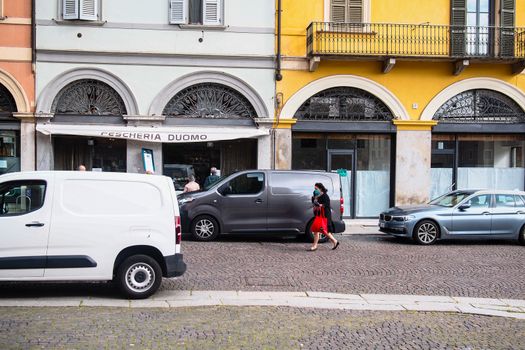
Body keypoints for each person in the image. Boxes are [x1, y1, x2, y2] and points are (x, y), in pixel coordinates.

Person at [309, 182, 340, 251]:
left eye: (316, 188)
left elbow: (327, 205)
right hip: (318, 215)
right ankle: (315, 246)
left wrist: (320, 205)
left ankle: (335, 241)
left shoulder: (325, 196)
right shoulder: (316, 195)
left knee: (324, 230)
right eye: (314, 188)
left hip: (324, 215)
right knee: (316, 229)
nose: (315, 190)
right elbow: (313, 203)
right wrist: (314, 199)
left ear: (320, 188)